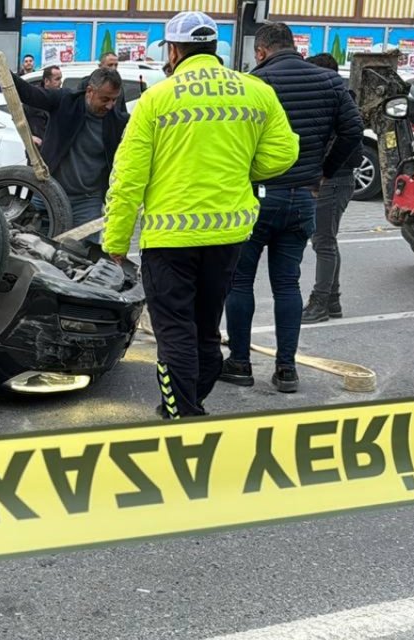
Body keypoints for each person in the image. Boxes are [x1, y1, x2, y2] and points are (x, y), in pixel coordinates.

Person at [101, 11, 299, 419]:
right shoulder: (255, 90)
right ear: (215, 48)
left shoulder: (158, 98)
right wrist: (241, 167)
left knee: (174, 332)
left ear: (173, 51)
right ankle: (196, 403)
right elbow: (284, 152)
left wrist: (116, 243)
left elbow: (127, 179)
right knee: (206, 327)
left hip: (170, 239)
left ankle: (183, 414)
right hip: (229, 234)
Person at [221, 22, 363, 393]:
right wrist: (323, 172)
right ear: (293, 46)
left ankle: (239, 363)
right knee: (287, 283)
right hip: (303, 196)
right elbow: (353, 131)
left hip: (256, 196)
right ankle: (286, 370)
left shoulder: (253, 83)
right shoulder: (329, 82)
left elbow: (232, 138)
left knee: (240, 281)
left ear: (262, 51)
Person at [0, 58, 128, 243]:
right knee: (35, 248)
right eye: (105, 99)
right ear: (90, 91)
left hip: (87, 202)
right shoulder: (65, 101)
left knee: (83, 256)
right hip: (48, 193)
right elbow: (30, 94)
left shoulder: (118, 121)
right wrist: (1, 70)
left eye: (114, 100)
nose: (110, 105)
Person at [302, 52, 360, 324]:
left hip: (334, 179)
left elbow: (349, 144)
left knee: (323, 241)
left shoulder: (339, 103)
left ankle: (320, 301)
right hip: (335, 178)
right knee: (325, 240)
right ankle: (332, 299)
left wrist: (324, 171)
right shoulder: (338, 99)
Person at [23, 65, 62, 146]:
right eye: (57, 79)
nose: (60, 82)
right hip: (38, 150)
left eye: (60, 78)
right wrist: (30, 137)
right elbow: (19, 120)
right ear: (47, 81)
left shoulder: (61, 98)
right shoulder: (34, 100)